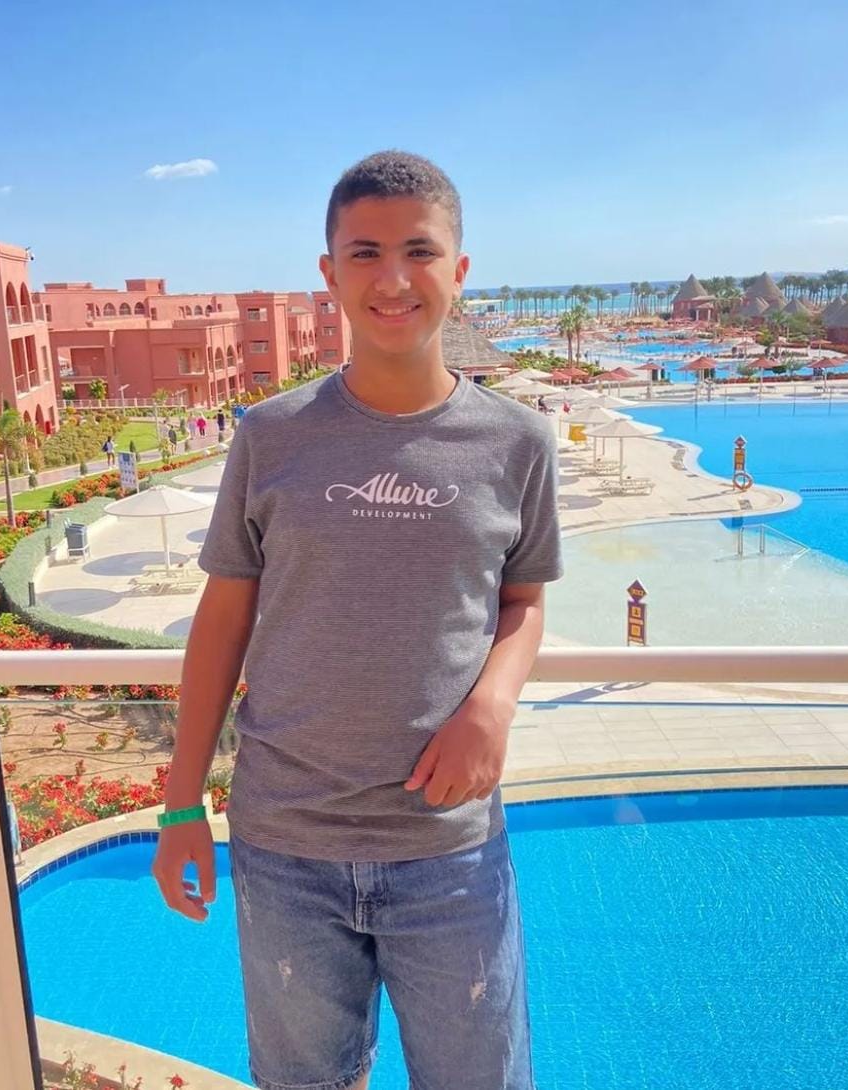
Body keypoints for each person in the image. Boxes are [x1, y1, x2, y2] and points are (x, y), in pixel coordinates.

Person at [152, 150, 562, 1090]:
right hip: (284, 847)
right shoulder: (271, 435)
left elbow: (525, 602)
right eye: (365, 252)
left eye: (420, 251)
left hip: (447, 848)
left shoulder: (518, 442)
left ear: (459, 270)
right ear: (329, 273)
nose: (393, 278)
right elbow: (223, 620)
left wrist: (492, 706)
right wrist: (180, 805)